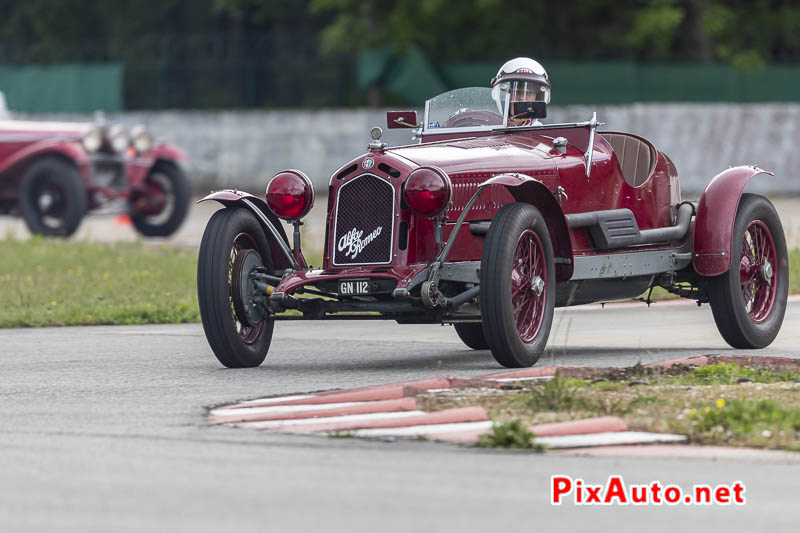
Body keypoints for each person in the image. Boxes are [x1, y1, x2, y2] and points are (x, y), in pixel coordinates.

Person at [490, 57, 551, 126]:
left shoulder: (543, 134)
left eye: (529, 93)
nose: (522, 98)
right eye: (516, 92)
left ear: (537, 97)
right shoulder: (486, 129)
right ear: (502, 95)